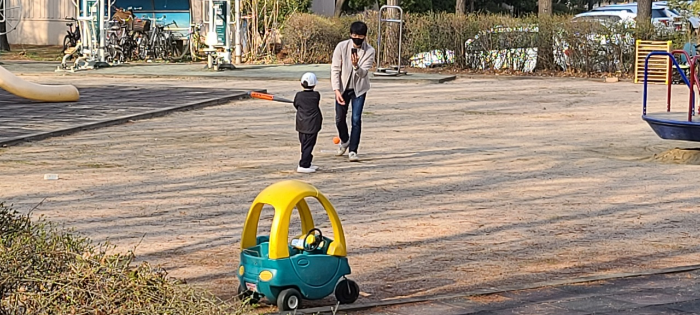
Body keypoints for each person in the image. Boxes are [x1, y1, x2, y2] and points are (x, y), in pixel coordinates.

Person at [331, 21, 375, 162]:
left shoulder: (369, 51)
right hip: (343, 88)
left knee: (356, 119)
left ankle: (353, 150)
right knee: (339, 118)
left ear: (364, 36)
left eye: (360, 36)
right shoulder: (341, 47)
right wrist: (337, 90)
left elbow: (363, 74)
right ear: (350, 34)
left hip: (359, 90)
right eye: (354, 35)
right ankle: (345, 141)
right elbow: (335, 70)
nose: (357, 39)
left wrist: (356, 66)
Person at [294, 72, 322, 173]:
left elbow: (296, 104)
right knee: (309, 145)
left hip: (302, 124)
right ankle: (303, 165)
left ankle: (307, 162)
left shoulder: (299, 95)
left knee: (304, 144)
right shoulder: (316, 95)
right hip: (312, 125)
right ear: (314, 85)